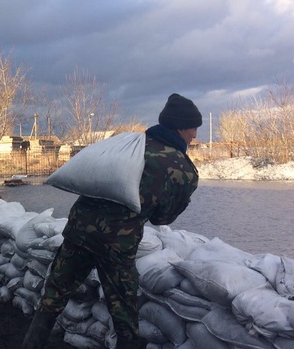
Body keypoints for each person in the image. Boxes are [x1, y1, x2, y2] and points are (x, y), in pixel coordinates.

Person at [21, 93, 203, 349]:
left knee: (53, 298)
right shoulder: (181, 168)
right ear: (181, 127)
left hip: (78, 231)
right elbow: (163, 218)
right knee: (124, 314)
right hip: (117, 247)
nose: (194, 135)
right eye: (194, 128)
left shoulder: (128, 145)